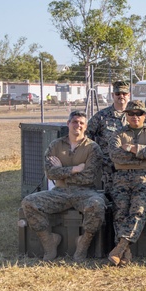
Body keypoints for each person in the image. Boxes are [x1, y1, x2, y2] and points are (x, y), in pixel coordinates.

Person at [20, 110, 105, 261]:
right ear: (68, 124)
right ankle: (49, 241)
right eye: (74, 122)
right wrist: (74, 169)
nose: (77, 125)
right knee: (29, 202)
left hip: (85, 192)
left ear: (85, 127)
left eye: (81, 123)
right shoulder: (56, 145)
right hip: (60, 191)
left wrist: (62, 171)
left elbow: (89, 177)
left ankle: (82, 244)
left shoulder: (93, 148)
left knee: (97, 204)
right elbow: (50, 173)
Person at [107, 100, 146, 266]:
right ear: (126, 116)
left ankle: (121, 247)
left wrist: (132, 148)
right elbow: (115, 155)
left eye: (138, 113)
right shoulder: (118, 134)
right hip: (121, 177)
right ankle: (125, 253)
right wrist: (142, 154)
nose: (135, 117)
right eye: (131, 114)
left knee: (139, 209)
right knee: (120, 212)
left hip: (144, 177)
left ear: (144, 116)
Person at [86, 79, 130, 186]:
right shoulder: (102, 116)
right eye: (118, 93)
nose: (121, 96)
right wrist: (94, 153)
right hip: (109, 165)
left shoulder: (136, 116)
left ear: (129, 95)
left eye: (124, 93)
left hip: (131, 163)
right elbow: (86, 134)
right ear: (112, 95)